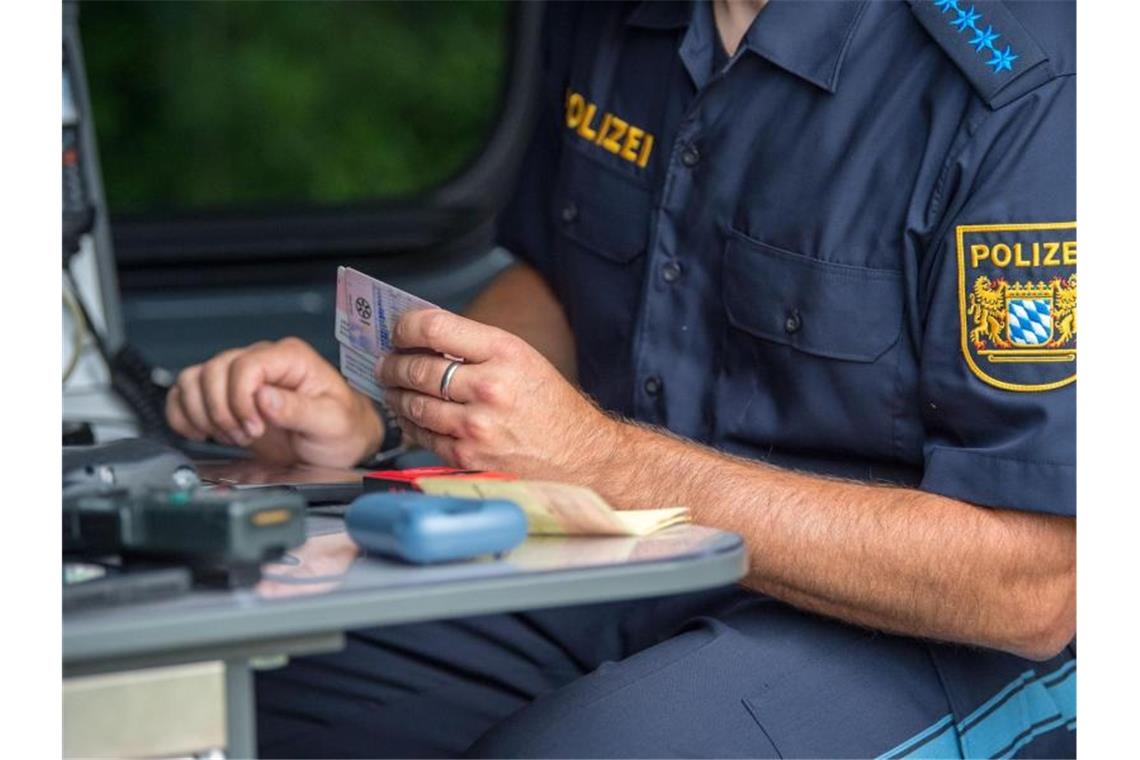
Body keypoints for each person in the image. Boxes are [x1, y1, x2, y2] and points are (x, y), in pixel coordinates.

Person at [166, 1, 1076, 757]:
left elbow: (1038, 583)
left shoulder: (1031, 89)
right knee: (244, 695)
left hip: (926, 635)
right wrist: (392, 407)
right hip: (625, 563)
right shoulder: (612, 16)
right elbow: (566, 280)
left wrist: (600, 460)